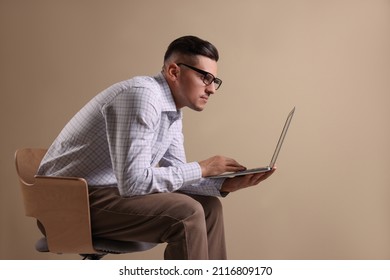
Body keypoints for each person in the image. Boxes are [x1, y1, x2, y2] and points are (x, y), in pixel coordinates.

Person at [37, 35, 275, 259]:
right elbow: (134, 183)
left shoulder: (172, 110)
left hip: (107, 192)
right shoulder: (142, 96)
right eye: (205, 78)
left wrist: (224, 184)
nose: (211, 89)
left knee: (210, 207)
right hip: (67, 203)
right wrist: (203, 167)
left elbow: (175, 175)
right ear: (174, 71)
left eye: (215, 81)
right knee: (187, 212)